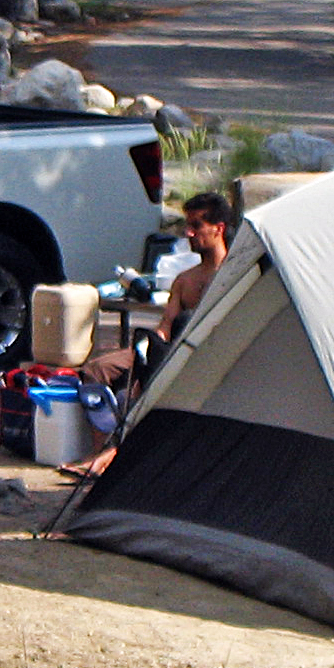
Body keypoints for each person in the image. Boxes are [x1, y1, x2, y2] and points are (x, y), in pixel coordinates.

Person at [64, 192, 232, 475]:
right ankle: (99, 452)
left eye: (197, 226)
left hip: (208, 354)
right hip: (170, 349)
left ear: (219, 228)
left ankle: (112, 459)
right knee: (97, 369)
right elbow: (165, 327)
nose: (189, 233)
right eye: (187, 225)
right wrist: (149, 352)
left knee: (146, 382)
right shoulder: (185, 280)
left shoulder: (234, 274)